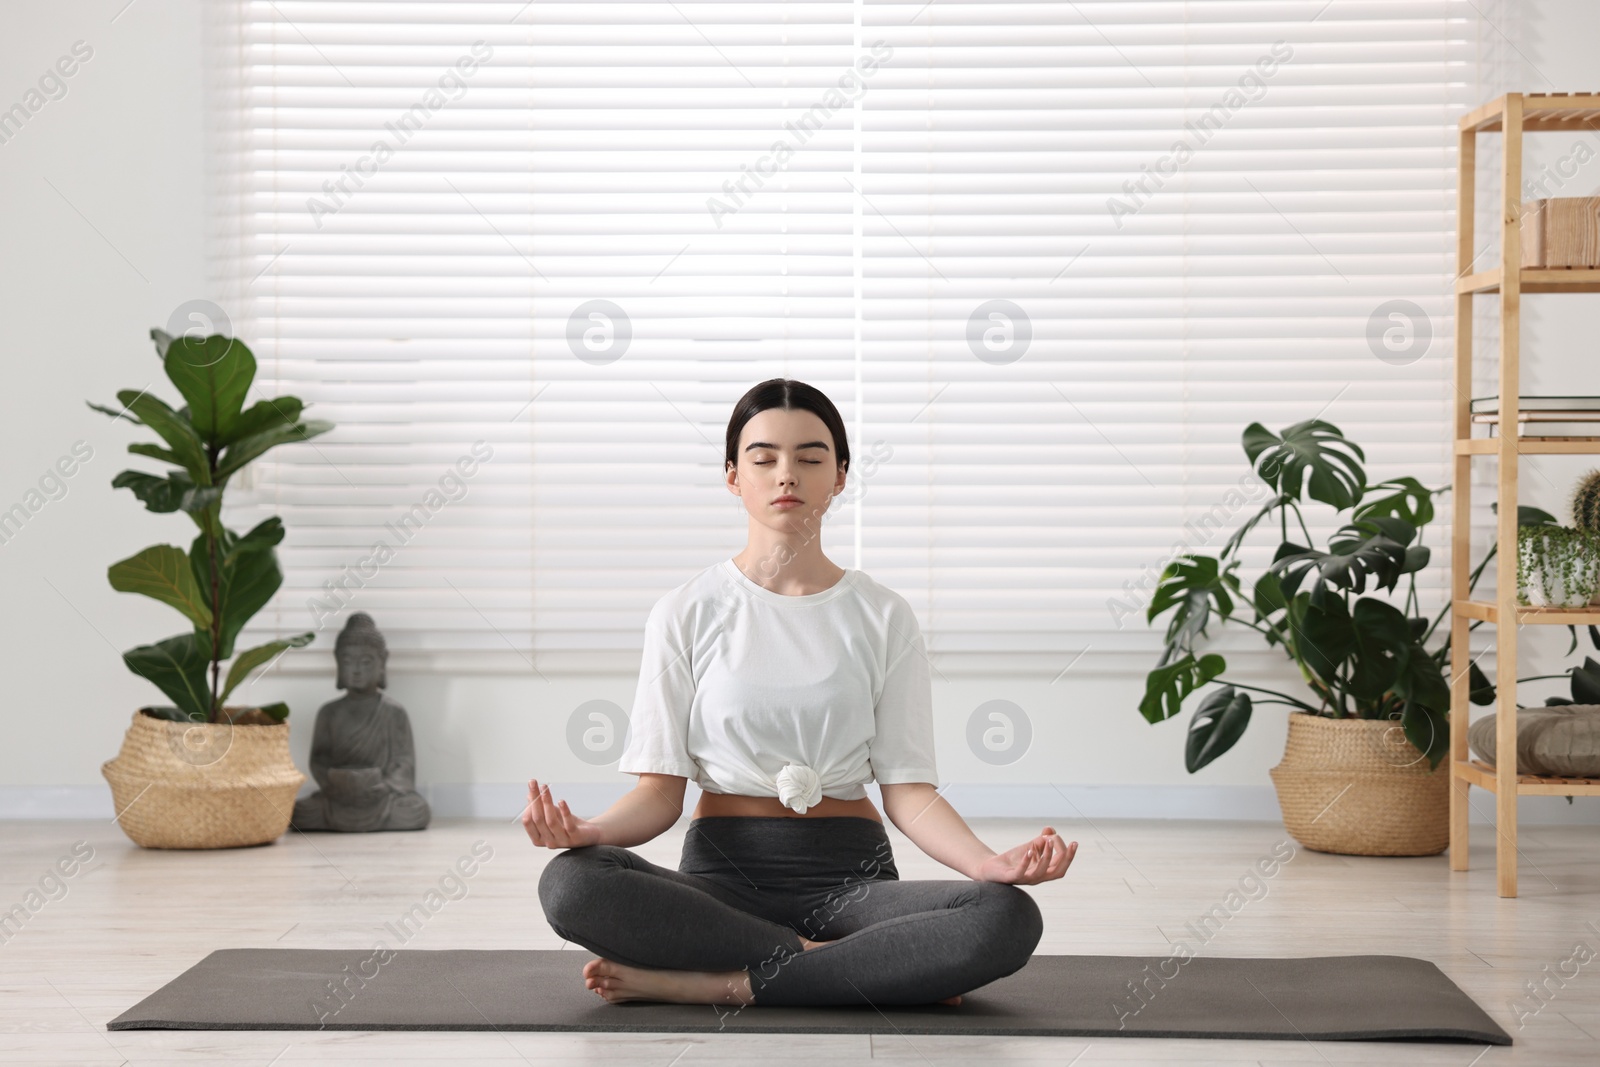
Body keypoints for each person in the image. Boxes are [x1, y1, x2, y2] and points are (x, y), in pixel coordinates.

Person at [530, 378, 1076, 1010]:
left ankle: (727, 981)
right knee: (572, 883)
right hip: (720, 881)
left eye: (811, 458)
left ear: (839, 476)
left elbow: (908, 792)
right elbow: (659, 794)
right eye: (764, 458)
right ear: (734, 476)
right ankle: (841, 968)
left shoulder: (883, 615)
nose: (786, 473)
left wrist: (987, 865)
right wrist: (588, 831)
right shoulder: (685, 611)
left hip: (853, 882)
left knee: (1006, 914)